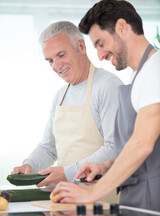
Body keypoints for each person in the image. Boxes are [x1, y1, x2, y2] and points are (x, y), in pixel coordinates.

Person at [51, 0, 160, 211]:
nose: (100, 56)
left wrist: (92, 193)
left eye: (101, 43)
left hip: (152, 198)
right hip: (136, 195)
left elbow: (142, 144)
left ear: (122, 27)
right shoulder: (139, 75)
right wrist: (106, 165)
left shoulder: (155, 70)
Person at [12, 21, 122, 187]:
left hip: (99, 196)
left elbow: (115, 147)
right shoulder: (60, 96)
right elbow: (49, 148)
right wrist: (30, 165)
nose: (56, 66)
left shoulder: (108, 86)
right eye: (50, 60)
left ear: (81, 47)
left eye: (61, 55)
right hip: (65, 195)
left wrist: (67, 173)